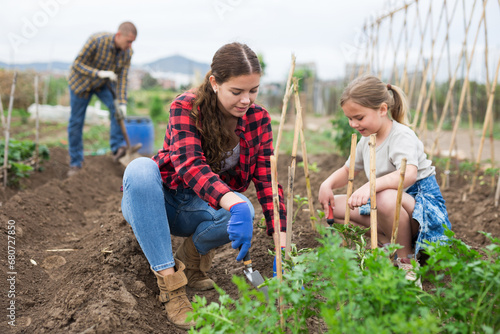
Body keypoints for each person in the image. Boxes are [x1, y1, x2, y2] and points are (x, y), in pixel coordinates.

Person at [121, 42, 287, 330]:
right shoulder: (186, 106)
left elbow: (267, 180)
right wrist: (231, 201)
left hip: (201, 208)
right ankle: (171, 288)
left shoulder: (258, 119)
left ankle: (192, 262)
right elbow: (189, 165)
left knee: (243, 208)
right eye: (237, 91)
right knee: (140, 168)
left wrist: (281, 242)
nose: (246, 100)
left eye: (253, 90)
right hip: (161, 200)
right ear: (214, 82)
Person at [318, 75, 451, 288]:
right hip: (386, 205)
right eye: (349, 118)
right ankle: (386, 240)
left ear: (382, 109)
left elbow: (407, 175)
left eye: (359, 117)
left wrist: (370, 187)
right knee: (337, 204)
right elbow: (348, 169)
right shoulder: (366, 139)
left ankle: (407, 260)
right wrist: (327, 185)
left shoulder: (401, 135)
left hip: (422, 211)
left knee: (386, 197)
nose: (353, 124)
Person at [67, 21, 137, 176]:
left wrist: (122, 102)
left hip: (101, 85)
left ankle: (117, 147)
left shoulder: (127, 53)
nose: (130, 45)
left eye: (133, 42)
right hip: (81, 84)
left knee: (116, 109)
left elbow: (122, 78)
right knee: (76, 121)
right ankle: (75, 163)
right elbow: (77, 64)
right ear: (119, 35)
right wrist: (98, 73)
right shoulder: (96, 40)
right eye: (129, 41)